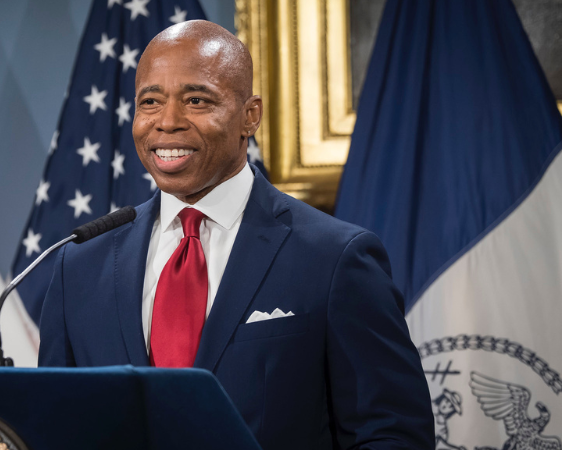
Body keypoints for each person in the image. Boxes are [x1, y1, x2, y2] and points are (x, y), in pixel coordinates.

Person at [39, 20, 434, 449]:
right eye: (150, 101)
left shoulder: (336, 258)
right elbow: (54, 427)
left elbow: (392, 435)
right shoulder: (80, 266)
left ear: (250, 115)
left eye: (196, 100)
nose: (167, 122)